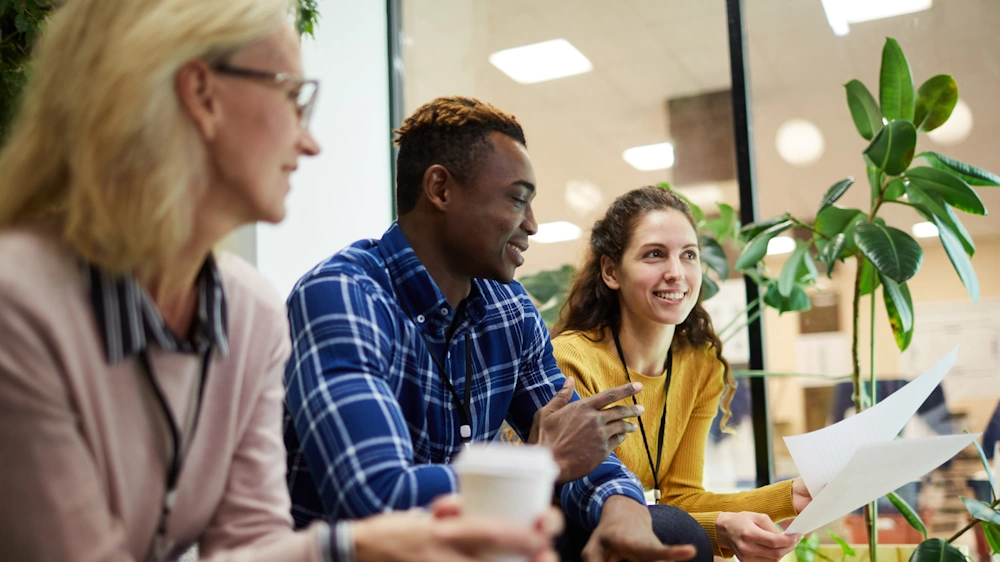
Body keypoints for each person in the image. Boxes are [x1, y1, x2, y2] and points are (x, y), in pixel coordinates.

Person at [0, 1, 560, 561]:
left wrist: (366, 544)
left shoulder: (246, 310)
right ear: (201, 95)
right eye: (293, 96)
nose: (308, 141)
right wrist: (353, 546)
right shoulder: (19, 304)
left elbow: (251, 542)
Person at [283, 95, 707, 562]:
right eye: (516, 199)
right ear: (441, 190)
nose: (532, 224)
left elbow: (574, 443)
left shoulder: (508, 309)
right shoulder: (343, 296)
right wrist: (542, 462)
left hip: (474, 547)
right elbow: (375, 496)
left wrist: (625, 514)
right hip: (368, 552)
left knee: (664, 529)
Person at [551, 186, 813, 562]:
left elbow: (681, 497)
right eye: (655, 254)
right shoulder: (573, 360)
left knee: (674, 525)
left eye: (688, 255)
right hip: (572, 542)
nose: (676, 273)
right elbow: (586, 503)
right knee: (674, 529)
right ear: (611, 271)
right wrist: (719, 526)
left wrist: (790, 497)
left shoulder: (700, 364)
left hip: (644, 537)